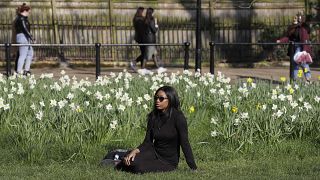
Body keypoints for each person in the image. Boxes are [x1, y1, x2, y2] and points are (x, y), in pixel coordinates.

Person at [116, 86, 197, 174]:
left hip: (168, 161)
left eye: (161, 98)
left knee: (138, 167)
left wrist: (193, 167)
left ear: (170, 99)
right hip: (153, 153)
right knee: (132, 160)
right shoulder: (153, 116)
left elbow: (185, 143)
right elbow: (148, 142)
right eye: (156, 98)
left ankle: (120, 159)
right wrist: (135, 150)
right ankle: (122, 156)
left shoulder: (178, 117)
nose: (157, 101)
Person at [277, 14, 312, 82]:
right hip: (294, 47)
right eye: (295, 18)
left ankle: (307, 79)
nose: (295, 20)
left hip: (300, 47)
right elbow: (289, 37)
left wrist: (304, 50)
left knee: (303, 64)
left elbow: (305, 39)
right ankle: (294, 79)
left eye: (297, 19)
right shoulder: (294, 28)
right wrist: (280, 41)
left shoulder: (302, 28)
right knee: (296, 63)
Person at [139, 8, 166, 74]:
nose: (154, 14)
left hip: (147, 40)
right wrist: (156, 25)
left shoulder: (145, 20)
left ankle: (158, 67)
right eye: (153, 12)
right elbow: (154, 30)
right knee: (147, 55)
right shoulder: (151, 20)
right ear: (151, 13)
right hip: (150, 40)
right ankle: (143, 68)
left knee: (153, 54)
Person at [14, 3, 34, 75]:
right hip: (23, 37)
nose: (29, 13)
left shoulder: (24, 18)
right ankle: (19, 71)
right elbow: (24, 29)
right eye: (29, 11)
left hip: (26, 37)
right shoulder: (21, 18)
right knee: (23, 55)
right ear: (25, 11)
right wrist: (31, 37)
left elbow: (26, 29)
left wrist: (29, 37)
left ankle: (26, 70)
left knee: (30, 53)